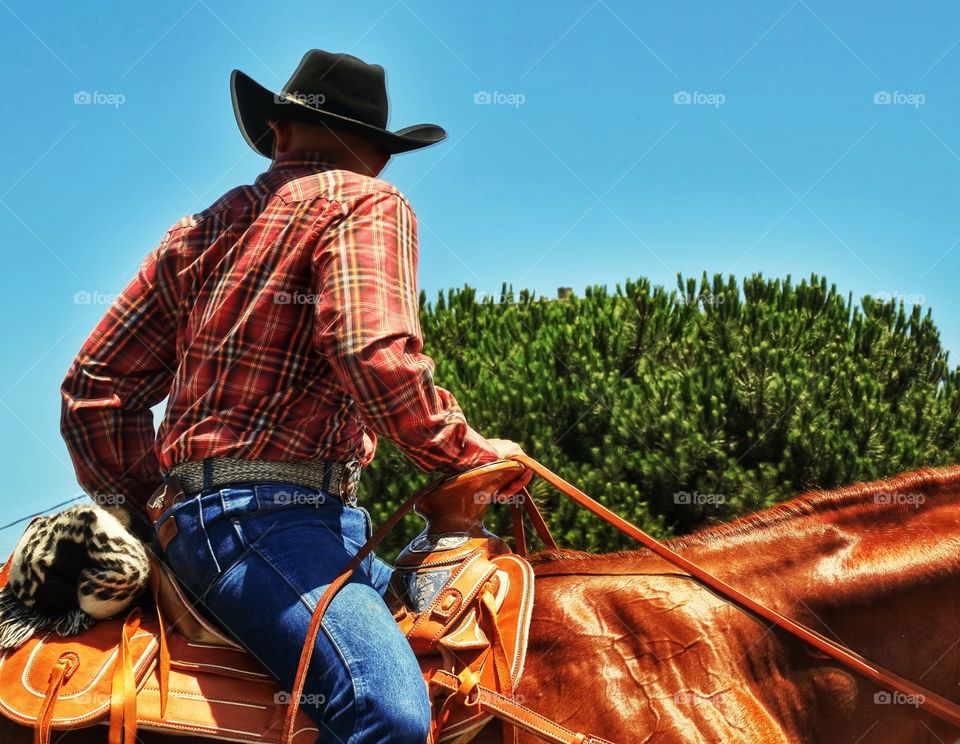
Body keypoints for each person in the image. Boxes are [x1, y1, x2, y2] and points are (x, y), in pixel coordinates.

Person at [60, 49, 527, 744]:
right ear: (381, 154)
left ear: (277, 134)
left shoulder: (197, 231)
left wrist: (154, 506)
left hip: (276, 529)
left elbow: (95, 388)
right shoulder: (366, 200)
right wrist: (466, 454)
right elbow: (370, 352)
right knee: (387, 712)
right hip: (270, 526)